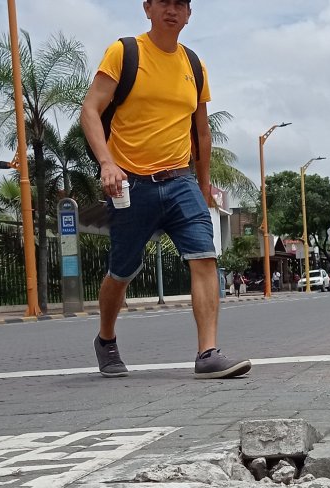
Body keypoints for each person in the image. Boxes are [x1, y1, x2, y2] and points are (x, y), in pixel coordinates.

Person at [81, 0, 249, 379]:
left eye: (180, 4)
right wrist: (108, 162)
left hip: (181, 181)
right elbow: (90, 109)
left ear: (188, 14)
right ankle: (106, 339)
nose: (172, 10)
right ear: (148, 8)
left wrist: (203, 184)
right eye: (163, 2)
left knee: (205, 257)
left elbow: (202, 132)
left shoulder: (194, 65)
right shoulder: (125, 52)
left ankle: (208, 353)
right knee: (121, 272)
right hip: (131, 185)